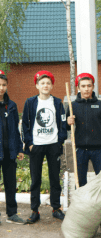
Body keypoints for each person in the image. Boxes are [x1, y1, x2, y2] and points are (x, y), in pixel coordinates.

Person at [22, 71, 67, 224]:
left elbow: (62, 123)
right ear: (37, 85)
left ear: (52, 85)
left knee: (55, 178)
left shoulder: (57, 102)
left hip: (53, 144)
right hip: (36, 145)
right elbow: (25, 124)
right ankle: (35, 210)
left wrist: (60, 140)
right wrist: (29, 143)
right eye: (42, 83)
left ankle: (56, 208)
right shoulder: (30, 102)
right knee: (36, 179)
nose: (45, 85)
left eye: (48, 83)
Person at [66, 73, 101, 187]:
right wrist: (68, 123)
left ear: (93, 87)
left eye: (89, 85)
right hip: (79, 150)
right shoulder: (72, 105)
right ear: (78, 88)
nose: (86, 89)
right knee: (80, 182)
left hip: (98, 150)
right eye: (83, 86)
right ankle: (81, 204)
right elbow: (66, 127)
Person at [0, 70, 25, 225]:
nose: (1, 88)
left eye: (3, 85)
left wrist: (20, 149)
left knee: (10, 182)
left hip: (9, 151)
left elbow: (16, 129)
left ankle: (12, 213)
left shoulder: (12, 106)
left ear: (7, 86)